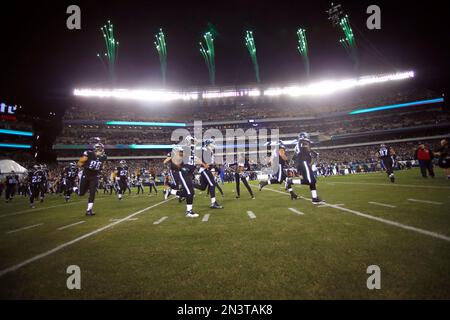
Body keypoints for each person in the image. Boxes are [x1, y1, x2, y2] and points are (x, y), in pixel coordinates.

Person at [287, 132, 324, 204]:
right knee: (311, 181)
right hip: (304, 162)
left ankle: (314, 198)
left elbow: (294, 157)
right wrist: (314, 153)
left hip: (302, 163)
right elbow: (307, 149)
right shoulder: (303, 141)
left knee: (312, 181)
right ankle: (290, 182)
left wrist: (297, 165)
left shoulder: (297, 145)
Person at [77, 140, 107, 216]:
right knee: (81, 193)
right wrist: (85, 167)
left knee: (92, 192)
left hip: (94, 176)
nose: (102, 150)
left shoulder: (103, 157)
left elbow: (102, 165)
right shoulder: (89, 154)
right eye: (100, 149)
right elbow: (79, 162)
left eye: (102, 149)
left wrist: (101, 169)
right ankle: (74, 188)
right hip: (86, 175)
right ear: (96, 149)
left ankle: (89, 210)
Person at [193, 138, 223, 208]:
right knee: (212, 184)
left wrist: (213, 165)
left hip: (205, 170)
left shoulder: (208, 150)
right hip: (205, 170)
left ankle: (191, 184)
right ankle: (213, 203)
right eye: (213, 143)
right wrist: (205, 165)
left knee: (203, 187)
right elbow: (200, 158)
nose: (214, 144)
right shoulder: (206, 149)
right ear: (209, 144)